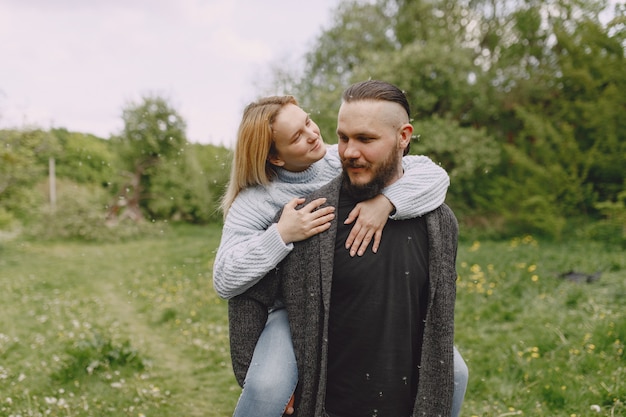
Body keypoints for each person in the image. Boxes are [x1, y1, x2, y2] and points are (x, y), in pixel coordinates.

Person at [214, 95, 462, 416]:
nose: (313, 134)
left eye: (307, 121)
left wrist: (386, 202)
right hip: (291, 308)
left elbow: (433, 175)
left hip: (347, 298)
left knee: (454, 372)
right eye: (297, 137)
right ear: (275, 157)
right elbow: (225, 279)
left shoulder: (338, 158)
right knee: (267, 388)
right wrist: (281, 235)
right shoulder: (257, 200)